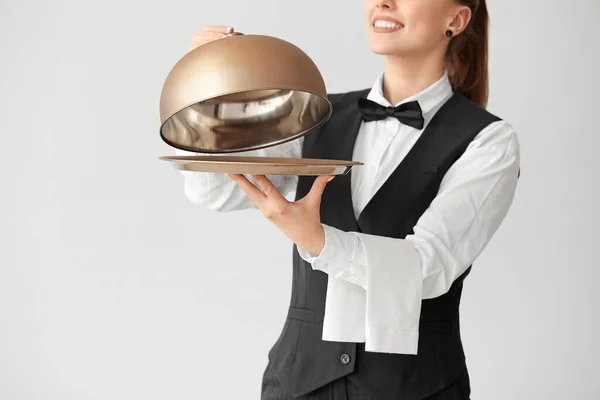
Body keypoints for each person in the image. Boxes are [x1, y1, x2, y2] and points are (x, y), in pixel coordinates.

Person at [178, 0, 520, 398]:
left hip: (416, 388)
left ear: (457, 20)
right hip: (298, 383)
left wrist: (318, 241)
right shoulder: (314, 114)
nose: (383, 2)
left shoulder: (488, 141)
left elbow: (430, 267)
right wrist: (211, 91)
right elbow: (212, 190)